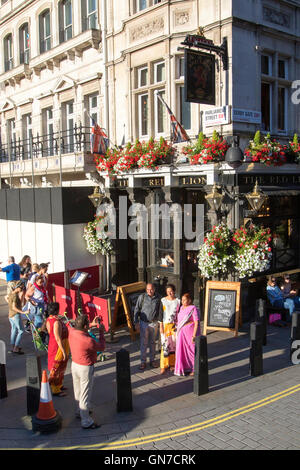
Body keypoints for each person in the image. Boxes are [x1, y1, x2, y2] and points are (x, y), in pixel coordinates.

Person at [67, 314, 103, 429]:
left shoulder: (72, 332)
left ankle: (79, 411)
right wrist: (101, 332)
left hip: (74, 364)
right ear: (85, 326)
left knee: (77, 390)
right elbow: (101, 347)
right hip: (85, 368)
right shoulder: (88, 340)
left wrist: (92, 324)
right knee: (85, 394)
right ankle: (86, 421)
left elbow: (69, 325)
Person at [134, 283, 163, 370]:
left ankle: (152, 360)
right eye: (147, 289)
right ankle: (143, 361)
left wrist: (161, 322)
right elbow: (137, 309)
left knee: (153, 342)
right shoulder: (142, 297)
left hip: (154, 323)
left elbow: (161, 311)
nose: (149, 291)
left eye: (151, 289)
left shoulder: (159, 298)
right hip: (143, 323)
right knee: (144, 343)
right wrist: (136, 322)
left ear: (154, 289)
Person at [46, 302, 69, 396]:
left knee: (61, 367)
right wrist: (63, 351)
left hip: (54, 345)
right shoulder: (56, 322)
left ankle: (59, 385)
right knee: (57, 367)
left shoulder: (50, 319)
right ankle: (55, 389)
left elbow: (49, 332)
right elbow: (57, 338)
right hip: (58, 347)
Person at [174, 293, 200, 377]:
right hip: (182, 333)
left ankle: (194, 368)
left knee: (191, 350)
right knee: (182, 351)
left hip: (190, 333)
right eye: (182, 300)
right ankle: (184, 368)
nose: (183, 301)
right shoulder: (181, 308)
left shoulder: (193, 308)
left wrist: (194, 335)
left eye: (185, 300)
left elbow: (196, 322)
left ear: (189, 300)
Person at [159, 284, 180, 374]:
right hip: (165, 325)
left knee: (174, 345)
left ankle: (172, 363)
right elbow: (160, 314)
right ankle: (163, 365)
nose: (169, 293)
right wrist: (161, 326)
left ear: (174, 291)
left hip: (174, 326)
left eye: (171, 291)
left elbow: (179, 314)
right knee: (165, 345)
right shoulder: (163, 301)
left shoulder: (178, 301)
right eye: (168, 291)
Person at [8, 281, 29, 354]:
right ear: (18, 287)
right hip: (15, 315)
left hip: (10, 315)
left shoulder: (11, 293)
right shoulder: (15, 296)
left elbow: (15, 304)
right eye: (22, 287)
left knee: (14, 330)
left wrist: (22, 296)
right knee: (21, 331)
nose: (22, 289)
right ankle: (16, 348)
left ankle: (13, 346)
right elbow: (14, 307)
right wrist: (23, 312)